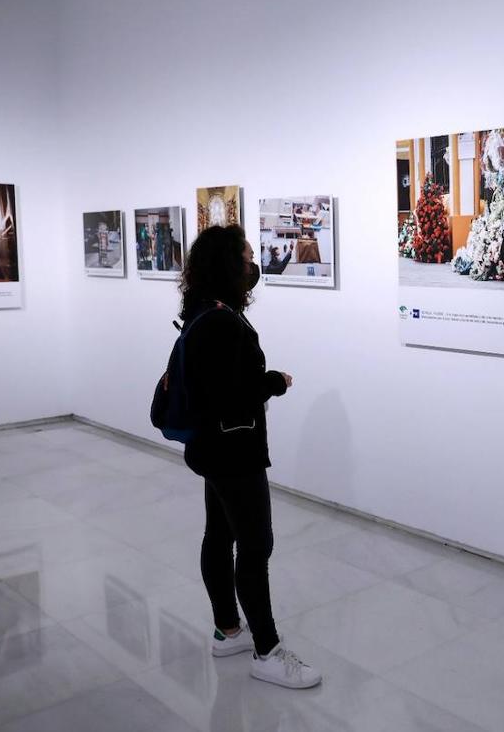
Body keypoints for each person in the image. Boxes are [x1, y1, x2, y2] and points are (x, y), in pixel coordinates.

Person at [179, 224, 321, 689]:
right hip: (234, 451)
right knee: (255, 546)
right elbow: (231, 394)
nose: (252, 265)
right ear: (228, 266)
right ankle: (266, 649)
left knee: (219, 536)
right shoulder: (221, 322)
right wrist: (274, 381)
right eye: (246, 258)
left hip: (212, 448)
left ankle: (228, 630)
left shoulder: (205, 310)